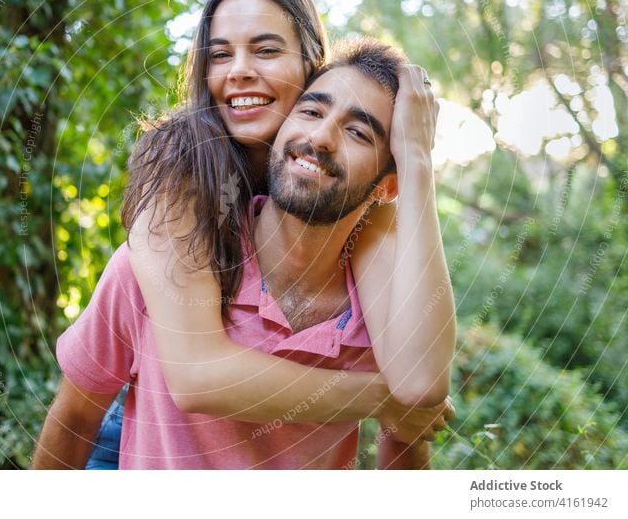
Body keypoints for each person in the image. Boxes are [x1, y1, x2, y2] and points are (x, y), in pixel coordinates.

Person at [32, 37, 454, 469]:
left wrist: (417, 157)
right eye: (310, 111)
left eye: (358, 132)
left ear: (388, 186)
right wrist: (375, 395)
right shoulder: (165, 263)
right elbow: (76, 417)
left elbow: (410, 430)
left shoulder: (382, 313)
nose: (321, 137)